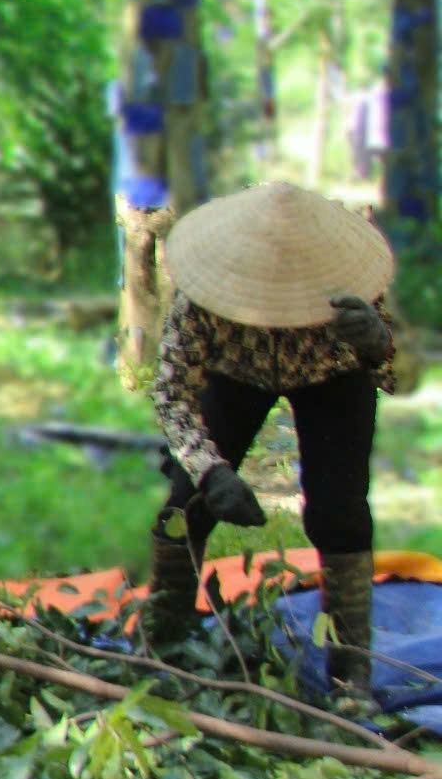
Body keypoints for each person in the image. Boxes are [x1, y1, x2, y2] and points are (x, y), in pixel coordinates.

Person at [146, 181, 404, 685]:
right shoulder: (204, 299)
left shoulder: (349, 282)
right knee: (184, 503)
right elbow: (171, 391)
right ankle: (163, 643)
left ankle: (351, 675)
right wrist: (210, 470)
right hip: (234, 374)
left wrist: (377, 343)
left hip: (333, 379)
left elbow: (395, 375)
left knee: (340, 514)